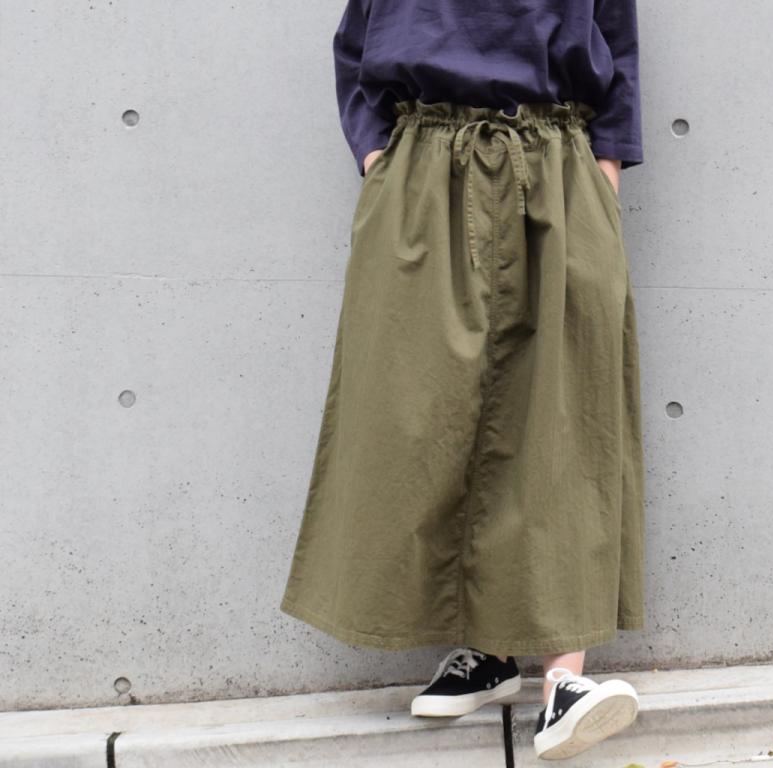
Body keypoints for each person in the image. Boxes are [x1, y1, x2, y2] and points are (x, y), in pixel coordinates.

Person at [281, 0, 647, 760]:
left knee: (562, 410)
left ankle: (563, 681)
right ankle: (489, 651)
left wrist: (604, 165)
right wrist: (379, 158)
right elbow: (355, 45)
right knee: (421, 408)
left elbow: (617, 38)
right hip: (425, 170)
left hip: (555, 162)